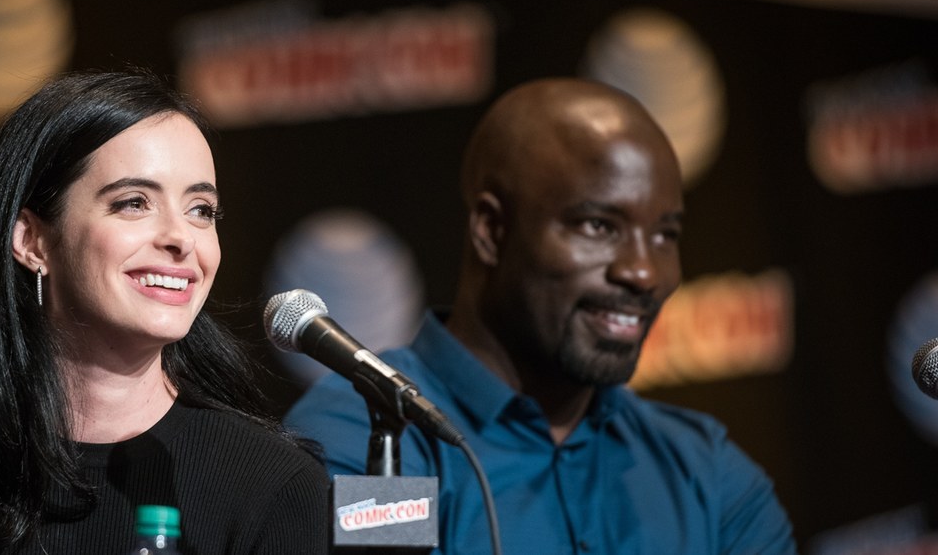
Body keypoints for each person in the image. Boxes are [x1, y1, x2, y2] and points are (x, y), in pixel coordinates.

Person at [0, 69, 330, 554]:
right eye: (133, 203)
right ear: (32, 239)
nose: (180, 239)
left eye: (201, 210)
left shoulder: (273, 484)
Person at [285, 78, 796, 554]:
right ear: (490, 229)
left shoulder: (705, 471)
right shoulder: (368, 435)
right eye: (599, 226)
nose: (644, 272)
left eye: (664, 235)